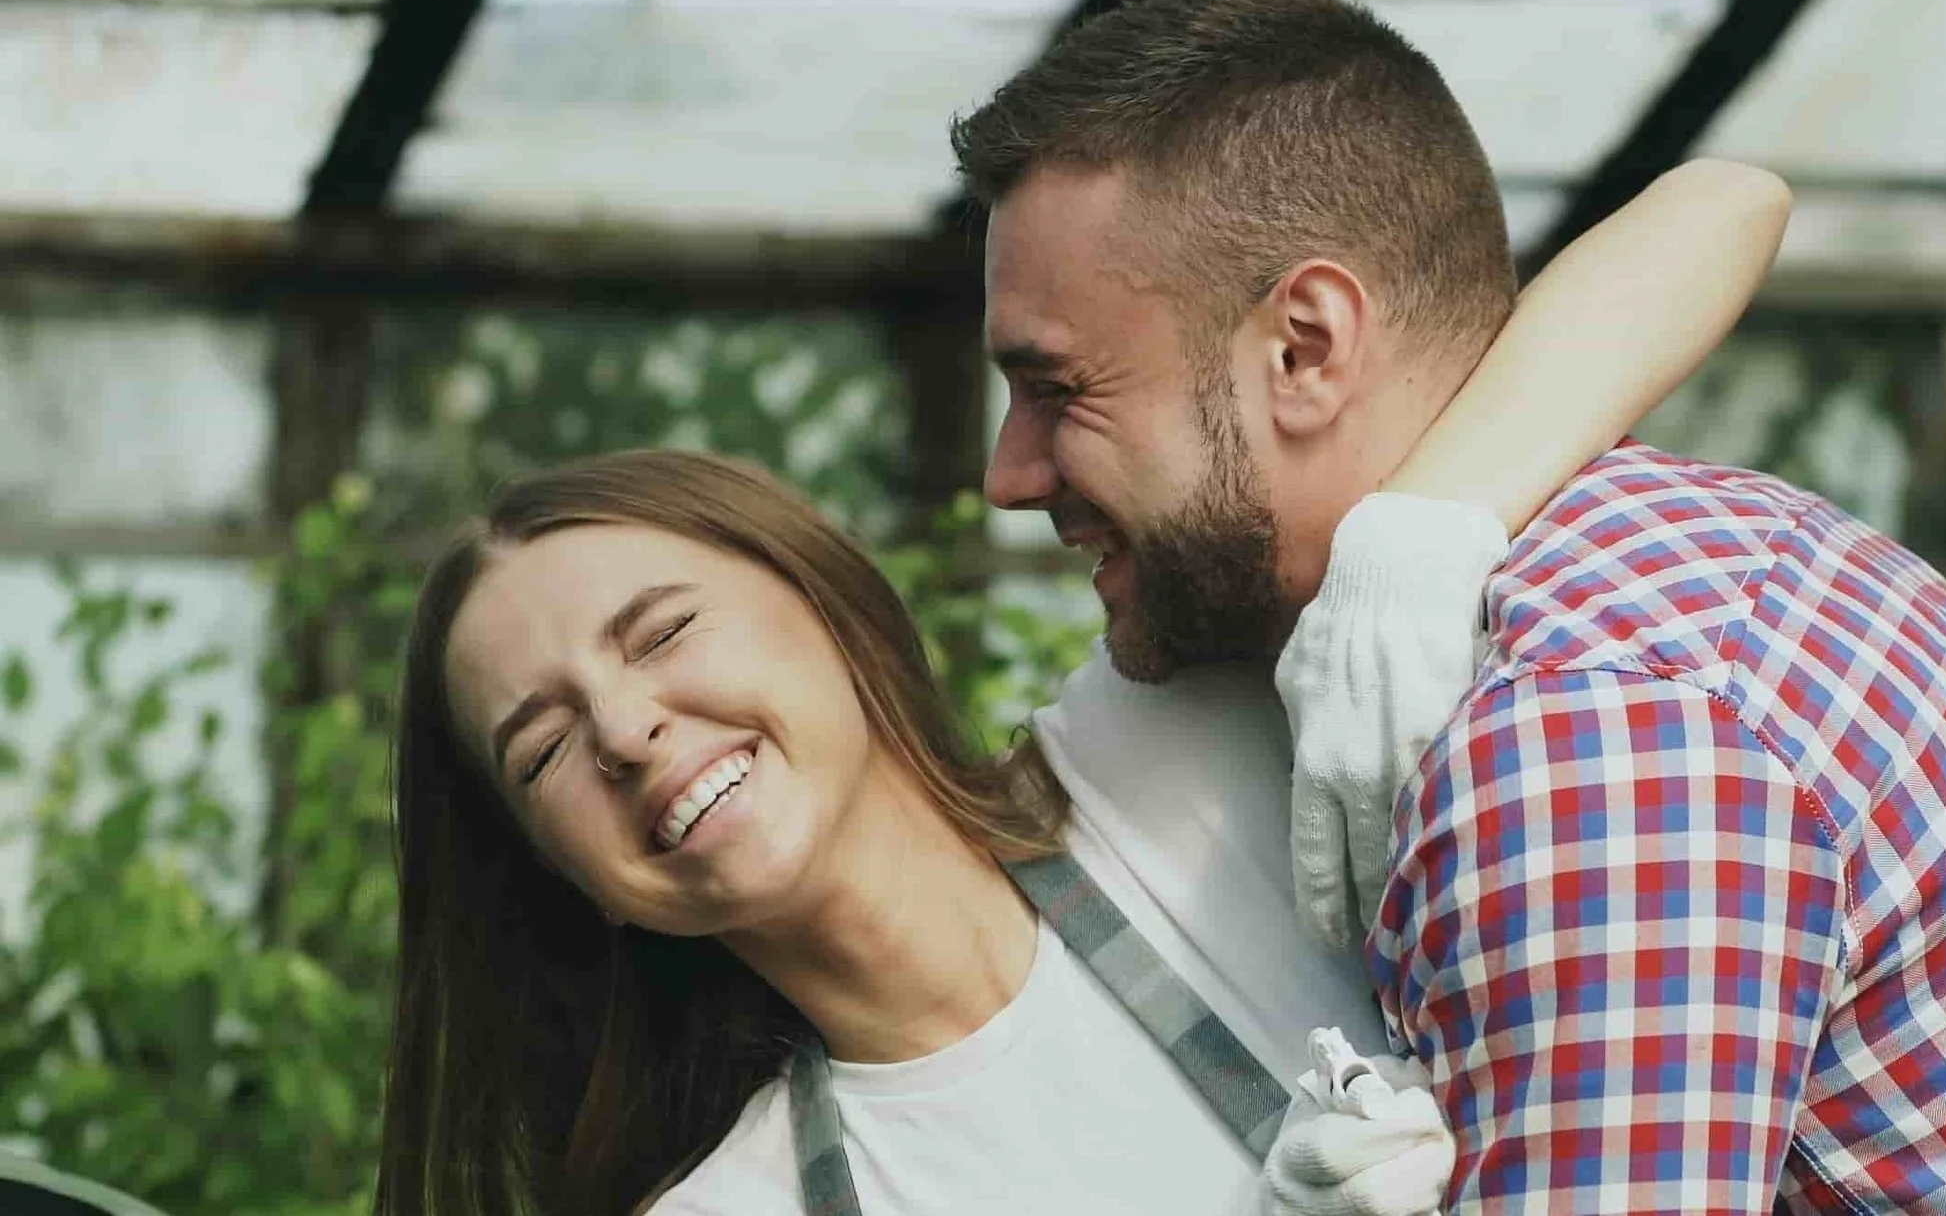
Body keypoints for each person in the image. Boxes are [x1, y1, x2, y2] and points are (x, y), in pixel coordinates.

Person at [960, 0, 1946, 1213]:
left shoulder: (1581, 742)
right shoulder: (1660, 558)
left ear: (1307, 348)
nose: (1009, 474)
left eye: (1057, 387)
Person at [371, 148, 1791, 1212]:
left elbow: (1724, 206)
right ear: (555, 870)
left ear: (826, 598)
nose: (624, 730)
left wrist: (1420, 538)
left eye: (662, 630)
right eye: (540, 748)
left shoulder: (1190, 743)